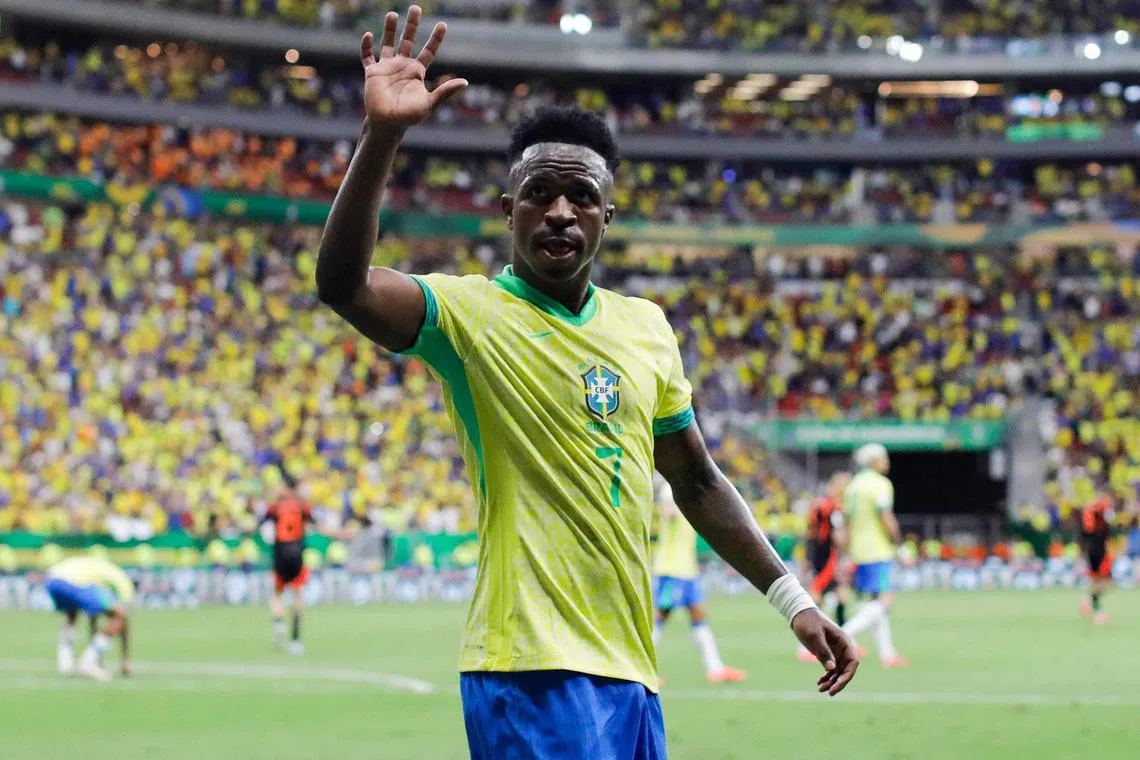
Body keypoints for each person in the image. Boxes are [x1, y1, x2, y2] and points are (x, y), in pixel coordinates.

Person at [315, 8, 857, 757]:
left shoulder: (646, 327)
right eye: (539, 193)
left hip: (632, 672)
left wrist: (792, 599)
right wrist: (382, 137)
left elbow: (697, 482)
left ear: (608, 214)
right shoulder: (469, 313)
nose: (560, 211)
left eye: (581, 196)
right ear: (508, 210)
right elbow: (344, 287)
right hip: (529, 668)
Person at [651, 480, 746, 684]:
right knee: (660, 616)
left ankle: (715, 668)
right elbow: (669, 511)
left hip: (687, 568)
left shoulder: (687, 487)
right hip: (671, 568)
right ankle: (644, 668)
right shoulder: (671, 488)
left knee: (699, 615)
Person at [838, 444, 909, 668]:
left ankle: (887, 654)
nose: (887, 461)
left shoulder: (853, 486)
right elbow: (886, 518)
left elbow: (847, 523)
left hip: (858, 551)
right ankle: (840, 636)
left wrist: (847, 552)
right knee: (886, 602)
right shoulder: (880, 485)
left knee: (874, 601)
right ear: (874, 461)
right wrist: (900, 546)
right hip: (877, 550)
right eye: (883, 457)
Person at [797, 471, 857, 663]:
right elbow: (837, 538)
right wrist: (847, 551)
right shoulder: (833, 508)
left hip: (817, 555)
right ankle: (806, 645)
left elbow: (809, 532)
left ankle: (845, 640)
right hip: (827, 558)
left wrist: (806, 557)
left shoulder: (819, 505)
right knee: (816, 597)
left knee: (841, 594)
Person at [45, 556, 134, 682]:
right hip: (74, 582)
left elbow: (93, 618)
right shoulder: (119, 579)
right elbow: (124, 617)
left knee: (72, 613)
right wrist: (126, 659)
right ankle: (89, 662)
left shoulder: (93, 570)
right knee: (120, 616)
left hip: (52, 581)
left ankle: (65, 662)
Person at [262, 484, 313, 654]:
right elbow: (311, 523)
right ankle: (296, 639)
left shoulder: (274, 507)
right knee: (298, 595)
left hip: (280, 552)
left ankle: (278, 622)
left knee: (277, 594)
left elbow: (263, 526)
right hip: (297, 552)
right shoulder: (302, 506)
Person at [1078, 492, 1115, 625]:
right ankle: (1096, 609)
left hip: (1092, 550)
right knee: (1105, 582)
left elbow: (1085, 532)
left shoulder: (1089, 510)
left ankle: (1092, 605)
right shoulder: (1103, 510)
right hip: (1100, 550)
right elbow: (1107, 530)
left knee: (1097, 581)